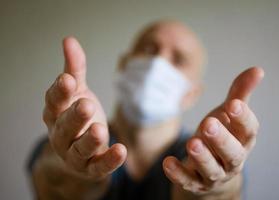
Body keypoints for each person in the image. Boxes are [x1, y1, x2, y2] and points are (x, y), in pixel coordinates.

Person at [27, 20, 264, 200]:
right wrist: (75, 171)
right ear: (123, 65)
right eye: (149, 49)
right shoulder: (67, 143)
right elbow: (53, 180)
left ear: (191, 94)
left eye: (178, 60)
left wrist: (213, 185)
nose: (157, 63)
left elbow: (225, 191)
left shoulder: (206, 155)